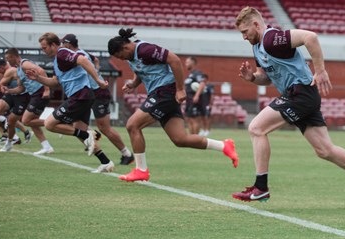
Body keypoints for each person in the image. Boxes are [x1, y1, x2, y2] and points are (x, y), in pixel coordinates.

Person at [231, 6, 345, 210]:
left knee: (256, 128)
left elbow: (310, 37)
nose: (243, 37)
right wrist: (252, 78)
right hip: (300, 95)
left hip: (300, 93)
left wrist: (320, 71)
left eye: (245, 32)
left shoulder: (272, 38)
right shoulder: (257, 47)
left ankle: (261, 187)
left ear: (256, 25)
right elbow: (266, 77)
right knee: (325, 150)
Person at [107, 28, 239, 182]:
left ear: (125, 47)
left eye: (120, 56)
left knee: (132, 125)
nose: (122, 59)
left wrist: (181, 89)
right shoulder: (132, 58)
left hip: (165, 92)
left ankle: (141, 170)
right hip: (159, 94)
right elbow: (141, 71)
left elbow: (174, 60)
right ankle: (224, 146)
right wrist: (134, 83)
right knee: (180, 139)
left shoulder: (144, 49)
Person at [25, 32, 116, 172]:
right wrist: (37, 78)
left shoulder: (62, 53)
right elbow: (55, 82)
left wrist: (97, 79)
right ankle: (105, 162)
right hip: (83, 96)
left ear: (54, 45)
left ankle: (88, 134)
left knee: (50, 124)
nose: (43, 50)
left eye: (44, 47)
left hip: (80, 95)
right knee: (80, 132)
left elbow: (83, 60)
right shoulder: (57, 60)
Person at [59, 34, 134, 165]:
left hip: (98, 93)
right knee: (77, 127)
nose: (61, 47)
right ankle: (92, 135)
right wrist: (96, 71)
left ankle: (127, 154)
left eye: (63, 44)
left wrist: (96, 79)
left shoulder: (79, 55)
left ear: (68, 45)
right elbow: (96, 59)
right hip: (88, 93)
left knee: (105, 128)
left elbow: (88, 64)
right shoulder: (80, 54)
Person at [183, 56, 208, 135]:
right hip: (189, 99)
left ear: (193, 63)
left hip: (194, 99)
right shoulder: (190, 75)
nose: (185, 64)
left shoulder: (197, 73)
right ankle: (191, 138)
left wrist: (196, 96)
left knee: (194, 119)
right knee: (189, 119)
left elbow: (202, 83)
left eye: (187, 62)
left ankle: (195, 138)